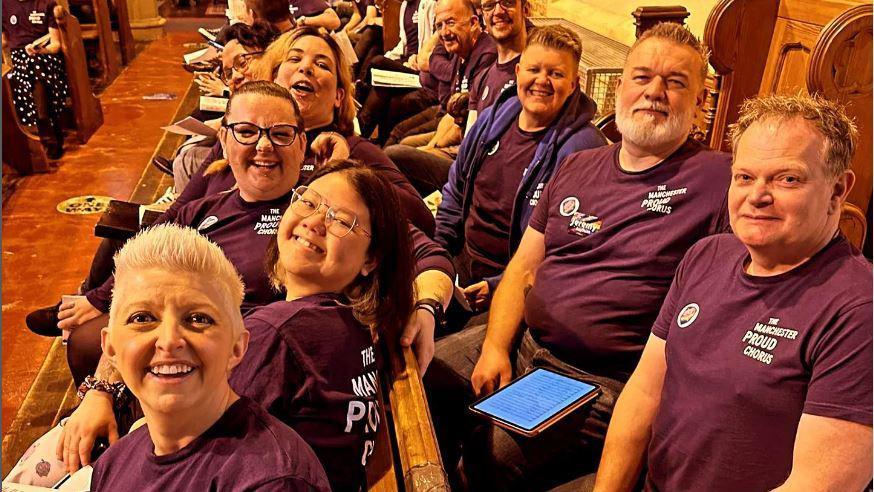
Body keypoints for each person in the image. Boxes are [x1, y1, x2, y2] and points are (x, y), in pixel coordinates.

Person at [425, 22, 732, 490]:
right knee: (425, 374)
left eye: (675, 82)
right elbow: (524, 269)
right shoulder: (578, 166)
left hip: (596, 378)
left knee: (490, 457)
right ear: (619, 87)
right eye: (642, 77)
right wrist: (494, 346)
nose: (654, 92)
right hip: (527, 342)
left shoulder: (720, 181)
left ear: (700, 102)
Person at [594, 94, 872, 492]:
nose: (757, 195)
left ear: (837, 190)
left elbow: (819, 485)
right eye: (744, 177)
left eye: (787, 179)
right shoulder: (706, 255)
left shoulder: (859, 310)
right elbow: (642, 395)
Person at [59, 80, 306, 389]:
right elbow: (144, 271)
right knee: (86, 339)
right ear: (224, 141)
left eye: (280, 134)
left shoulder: (307, 218)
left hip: (237, 361)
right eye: (246, 132)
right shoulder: (204, 209)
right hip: (172, 330)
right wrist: (101, 387)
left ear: (301, 145)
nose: (264, 145)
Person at [86, 224, 330, 491]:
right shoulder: (112, 463)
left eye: (198, 319)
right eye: (142, 318)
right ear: (110, 349)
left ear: (237, 348)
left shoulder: (273, 481)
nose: (169, 341)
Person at [229, 160, 415, 491]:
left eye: (342, 221)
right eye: (309, 202)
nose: (314, 222)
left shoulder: (277, 333)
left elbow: (205, 447)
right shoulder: (350, 324)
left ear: (370, 260)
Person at [434, 24, 605, 315]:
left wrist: (498, 285)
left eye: (556, 74)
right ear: (517, 73)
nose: (542, 81)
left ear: (574, 84)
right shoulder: (492, 119)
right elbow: (456, 189)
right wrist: (438, 252)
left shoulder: (583, 150)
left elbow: (564, 248)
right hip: (461, 260)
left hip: (513, 286)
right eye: (534, 69)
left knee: (438, 355)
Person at [250, 26, 436, 234]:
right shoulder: (243, 139)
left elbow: (423, 219)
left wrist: (348, 172)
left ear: (339, 96)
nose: (306, 68)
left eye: (322, 64)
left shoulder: (355, 150)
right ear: (273, 79)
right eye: (294, 59)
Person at [382, 0, 530, 198]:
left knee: (395, 155)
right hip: (467, 161)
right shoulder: (488, 73)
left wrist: (435, 151)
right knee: (398, 148)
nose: (497, 11)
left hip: (489, 179)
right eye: (489, 5)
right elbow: (467, 133)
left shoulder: (527, 69)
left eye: (507, 2)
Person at [2, 0, 69, 159]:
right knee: (29, 71)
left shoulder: (46, 4)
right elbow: (4, 41)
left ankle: (45, 128)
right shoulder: (4, 5)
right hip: (19, 60)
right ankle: (50, 130)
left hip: (45, 57)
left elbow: (56, 44)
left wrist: (41, 50)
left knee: (35, 67)